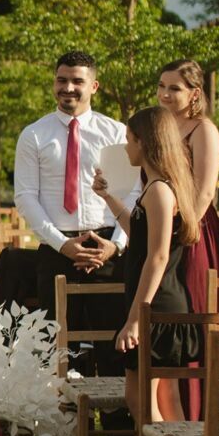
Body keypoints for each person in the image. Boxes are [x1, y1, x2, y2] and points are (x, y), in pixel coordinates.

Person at [14, 51, 136, 374]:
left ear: (94, 86)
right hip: (57, 248)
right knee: (55, 349)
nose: (68, 87)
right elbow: (25, 197)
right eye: (61, 80)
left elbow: (133, 193)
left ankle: (113, 422)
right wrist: (62, 244)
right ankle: (62, 423)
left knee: (113, 348)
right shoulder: (34, 135)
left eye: (77, 81)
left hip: (106, 246)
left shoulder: (116, 132)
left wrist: (117, 245)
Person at [110, 107, 202, 436]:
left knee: (147, 401)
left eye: (130, 140)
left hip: (157, 305)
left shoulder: (160, 190)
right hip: (152, 303)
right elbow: (141, 241)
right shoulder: (153, 188)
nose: (126, 147)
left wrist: (136, 318)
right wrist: (109, 200)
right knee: (155, 399)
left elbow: (158, 257)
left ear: (145, 143)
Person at [157, 60, 219, 319]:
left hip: (191, 229)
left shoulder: (203, 129)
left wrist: (182, 231)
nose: (164, 94)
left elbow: (205, 191)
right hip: (159, 225)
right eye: (161, 86)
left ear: (194, 93)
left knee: (192, 299)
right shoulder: (158, 128)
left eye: (174, 89)